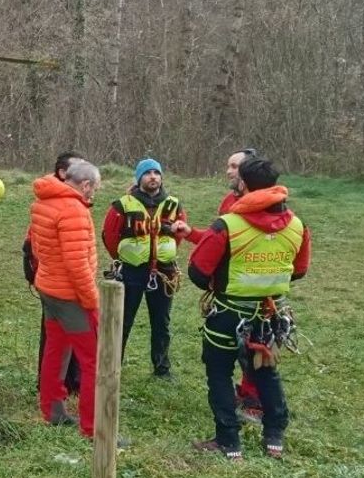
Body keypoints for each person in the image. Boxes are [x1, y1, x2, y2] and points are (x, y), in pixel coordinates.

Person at [186, 156, 311, 461]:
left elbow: (198, 272)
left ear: (242, 184)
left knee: (218, 372)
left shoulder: (227, 225)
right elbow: (299, 270)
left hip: (228, 314)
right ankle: (274, 438)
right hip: (270, 315)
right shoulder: (297, 225)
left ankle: (229, 442)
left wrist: (223, 281)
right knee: (266, 372)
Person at [177, 147, 263, 421]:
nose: (229, 171)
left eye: (235, 166)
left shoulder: (268, 208)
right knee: (230, 348)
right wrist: (191, 234)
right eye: (228, 165)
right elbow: (219, 241)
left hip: (255, 290)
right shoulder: (229, 201)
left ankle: (255, 401)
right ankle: (240, 396)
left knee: (254, 346)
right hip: (227, 291)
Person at [29, 160, 102, 436]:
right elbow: (77, 265)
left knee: (56, 350)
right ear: (85, 185)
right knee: (94, 359)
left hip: (49, 288)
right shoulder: (74, 211)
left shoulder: (42, 202)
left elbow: (36, 247)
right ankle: (93, 426)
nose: (94, 194)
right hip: (71, 296)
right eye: (94, 188)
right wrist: (92, 301)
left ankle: (52, 410)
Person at [101, 158, 187, 379]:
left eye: (156, 173)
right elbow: (110, 235)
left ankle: (162, 369)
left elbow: (179, 235)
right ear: (139, 178)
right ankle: (112, 367)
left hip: (163, 272)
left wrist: (161, 256)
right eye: (147, 173)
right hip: (132, 270)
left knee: (162, 323)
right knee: (123, 320)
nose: (153, 177)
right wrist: (125, 257)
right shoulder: (122, 205)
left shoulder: (173, 205)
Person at [23, 152, 84, 397]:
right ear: (62, 173)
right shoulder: (55, 202)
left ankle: (68, 383)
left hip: (59, 279)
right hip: (58, 281)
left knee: (68, 335)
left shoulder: (69, 199)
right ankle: (54, 387)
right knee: (58, 336)